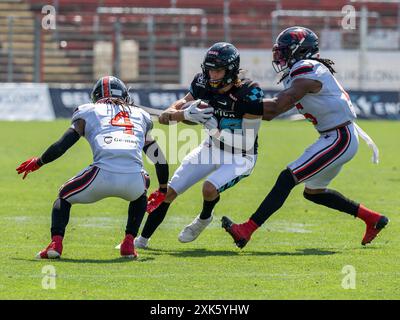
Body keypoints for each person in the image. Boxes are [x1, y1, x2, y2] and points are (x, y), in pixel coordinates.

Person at [221, 26, 389, 249]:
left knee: (286, 178)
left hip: (339, 137)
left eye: (284, 51)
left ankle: (246, 230)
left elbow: (274, 110)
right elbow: (274, 107)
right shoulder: (303, 71)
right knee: (314, 193)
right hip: (337, 136)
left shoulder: (307, 69)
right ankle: (373, 219)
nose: (279, 56)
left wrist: (233, 104)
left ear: (300, 51)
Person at [16, 76, 168, 259]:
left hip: (100, 175)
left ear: (96, 96)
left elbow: (63, 144)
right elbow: (157, 156)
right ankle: (128, 243)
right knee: (141, 190)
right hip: (133, 180)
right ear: (125, 95)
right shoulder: (139, 114)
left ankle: (55, 244)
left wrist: (39, 161)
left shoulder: (88, 111)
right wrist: (162, 188)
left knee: (63, 196)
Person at [133, 42, 264, 249]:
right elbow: (172, 112)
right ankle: (141, 240)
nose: (212, 76)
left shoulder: (250, 93)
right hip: (211, 148)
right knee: (170, 191)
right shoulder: (202, 83)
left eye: (218, 70)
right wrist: (180, 112)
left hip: (241, 156)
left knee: (209, 188)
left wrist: (214, 130)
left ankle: (204, 218)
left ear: (231, 70)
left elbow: (247, 143)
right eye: (210, 70)